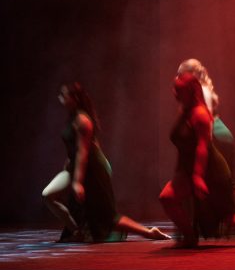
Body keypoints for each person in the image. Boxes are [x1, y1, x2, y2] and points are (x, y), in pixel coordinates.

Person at [159, 73, 235, 247]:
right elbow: (184, 146)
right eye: (174, 89)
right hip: (189, 169)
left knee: (229, 216)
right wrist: (182, 172)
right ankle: (189, 237)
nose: (174, 93)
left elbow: (202, 147)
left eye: (179, 90)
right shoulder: (184, 111)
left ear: (191, 91)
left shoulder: (200, 114)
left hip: (211, 171)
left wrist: (197, 176)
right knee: (167, 198)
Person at [42, 83, 171, 243]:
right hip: (75, 167)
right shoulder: (72, 118)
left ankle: (149, 233)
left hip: (92, 169)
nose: (60, 98)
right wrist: (68, 166)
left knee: (106, 218)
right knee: (48, 195)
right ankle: (76, 231)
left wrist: (77, 182)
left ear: (74, 99)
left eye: (64, 95)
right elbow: (73, 149)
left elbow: (83, 152)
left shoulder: (82, 120)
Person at [177, 59, 235, 218]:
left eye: (180, 75)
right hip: (217, 133)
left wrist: (203, 141)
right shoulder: (202, 89)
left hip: (215, 135)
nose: (177, 79)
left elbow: (205, 119)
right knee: (225, 181)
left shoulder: (202, 91)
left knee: (226, 181)